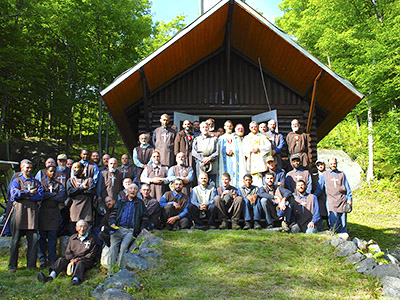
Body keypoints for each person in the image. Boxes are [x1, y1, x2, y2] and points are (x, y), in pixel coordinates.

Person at [37, 219, 97, 285]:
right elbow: (68, 252)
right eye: (80, 227)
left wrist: (79, 259)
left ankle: (75, 279)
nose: (82, 229)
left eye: (84, 227)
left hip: (85, 261)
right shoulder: (72, 238)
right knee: (61, 260)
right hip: (72, 260)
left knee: (80, 263)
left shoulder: (92, 239)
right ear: (76, 228)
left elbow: (91, 254)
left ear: (87, 228)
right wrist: (72, 259)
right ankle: (51, 276)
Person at [8, 159, 43, 272]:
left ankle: (31, 265)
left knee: (33, 241)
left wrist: (23, 195)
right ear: (21, 168)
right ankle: (12, 265)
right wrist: (28, 193)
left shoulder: (36, 182)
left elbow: (40, 196)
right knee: (15, 241)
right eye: (27, 168)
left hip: (32, 216)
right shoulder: (16, 181)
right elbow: (14, 195)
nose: (29, 170)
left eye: (30, 168)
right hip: (19, 215)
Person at [109, 184, 149, 268]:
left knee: (124, 247)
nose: (133, 190)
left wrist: (143, 228)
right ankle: (111, 270)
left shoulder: (140, 203)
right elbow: (113, 214)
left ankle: (120, 269)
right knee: (113, 248)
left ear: (137, 192)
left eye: (135, 189)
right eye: (131, 188)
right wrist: (112, 223)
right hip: (118, 228)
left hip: (131, 230)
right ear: (126, 190)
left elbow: (145, 217)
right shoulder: (121, 201)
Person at [38, 166, 67, 268]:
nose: (52, 173)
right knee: (41, 238)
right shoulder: (41, 183)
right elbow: (41, 195)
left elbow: (62, 197)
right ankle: (42, 259)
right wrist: (53, 195)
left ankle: (52, 258)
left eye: (54, 172)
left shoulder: (59, 185)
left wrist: (49, 196)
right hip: (42, 213)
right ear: (46, 172)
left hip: (54, 214)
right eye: (50, 171)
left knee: (52, 238)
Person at [314, 158, 352, 233]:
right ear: (329, 164)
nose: (333, 165)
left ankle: (344, 236)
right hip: (331, 201)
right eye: (331, 164)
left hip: (342, 200)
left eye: (334, 163)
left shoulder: (342, 174)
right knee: (333, 221)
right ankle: (334, 236)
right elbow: (319, 188)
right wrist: (313, 197)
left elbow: (348, 189)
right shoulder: (325, 175)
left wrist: (349, 200)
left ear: (336, 163)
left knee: (343, 222)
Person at [66, 162, 96, 233]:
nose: (75, 169)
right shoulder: (70, 181)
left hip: (87, 211)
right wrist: (82, 188)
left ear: (82, 169)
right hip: (74, 212)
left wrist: (77, 191)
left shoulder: (89, 180)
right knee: (74, 233)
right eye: (74, 168)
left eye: (77, 167)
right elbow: (70, 193)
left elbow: (91, 192)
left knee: (87, 233)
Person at [242, 121, 272, 186]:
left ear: (258, 127)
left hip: (260, 162)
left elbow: (268, 147)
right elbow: (243, 149)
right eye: (252, 127)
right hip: (251, 162)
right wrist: (250, 150)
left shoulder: (263, 137)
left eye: (255, 127)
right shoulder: (246, 138)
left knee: (261, 180)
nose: (254, 128)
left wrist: (259, 149)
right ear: (249, 128)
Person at [219, 120, 244, 189]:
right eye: (227, 126)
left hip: (235, 158)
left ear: (232, 127)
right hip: (225, 159)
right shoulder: (221, 138)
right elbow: (219, 150)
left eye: (230, 126)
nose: (229, 127)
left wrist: (234, 151)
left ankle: (235, 188)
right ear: (224, 127)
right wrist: (225, 151)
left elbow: (240, 150)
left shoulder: (236, 137)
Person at [312, 159, 328, 230]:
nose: (320, 166)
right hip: (318, 199)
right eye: (318, 165)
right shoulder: (314, 177)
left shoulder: (328, 175)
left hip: (327, 198)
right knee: (319, 214)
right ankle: (319, 229)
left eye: (321, 164)